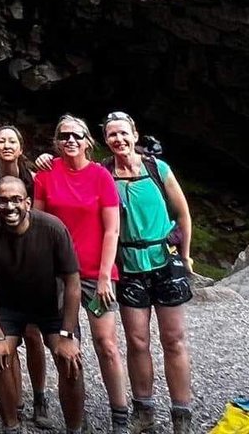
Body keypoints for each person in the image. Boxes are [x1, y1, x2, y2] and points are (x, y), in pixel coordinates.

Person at [34, 115, 129, 434]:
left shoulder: (101, 176)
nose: (70, 141)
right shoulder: (46, 175)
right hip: (59, 276)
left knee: (107, 344)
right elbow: (37, 223)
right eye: (64, 136)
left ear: (89, 141)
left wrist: (105, 276)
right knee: (66, 349)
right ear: (56, 142)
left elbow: (112, 229)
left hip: (94, 274)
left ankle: (120, 415)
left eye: (77, 135)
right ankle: (77, 421)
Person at [103, 112, 194, 434]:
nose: (119, 140)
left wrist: (185, 257)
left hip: (164, 261)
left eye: (123, 133)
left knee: (174, 340)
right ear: (106, 140)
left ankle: (181, 415)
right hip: (128, 265)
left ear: (135, 134)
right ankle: (145, 412)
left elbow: (182, 214)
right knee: (137, 341)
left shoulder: (158, 169)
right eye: (112, 135)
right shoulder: (104, 175)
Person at [0, 176, 86, 434]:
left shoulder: (53, 228)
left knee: (70, 360)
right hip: (10, 305)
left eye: (16, 200)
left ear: (28, 202)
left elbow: (72, 282)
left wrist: (68, 335)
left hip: (51, 305)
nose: (10, 207)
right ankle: (11, 426)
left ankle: (76, 428)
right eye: (3, 201)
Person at [0, 125, 50, 428]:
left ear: (21, 146)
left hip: (32, 264)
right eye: (1, 140)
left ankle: (40, 397)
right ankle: (15, 402)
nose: (6, 145)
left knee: (32, 334)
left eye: (12, 140)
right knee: (5, 335)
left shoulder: (35, 179)